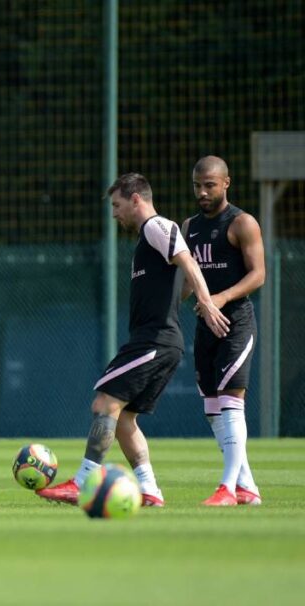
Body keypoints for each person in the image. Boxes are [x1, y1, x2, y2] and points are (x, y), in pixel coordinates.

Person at [37, 173, 229, 507]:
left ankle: (82, 481)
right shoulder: (149, 238)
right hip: (159, 340)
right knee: (124, 418)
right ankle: (150, 489)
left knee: (104, 404)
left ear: (136, 199)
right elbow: (186, 268)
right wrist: (181, 299)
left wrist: (207, 302)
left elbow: (187, 261)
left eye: (117, 204)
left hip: (154, 340)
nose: (114, 213)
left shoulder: (157, 226)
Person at [182, 156, 265, 506]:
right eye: (198, 185)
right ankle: (247, 487)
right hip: (205, 325)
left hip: (235, 322)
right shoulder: (189, 227)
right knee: (213, 408)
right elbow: (186, 280)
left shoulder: (242, 223)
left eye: (210, 185)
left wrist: (220, 297)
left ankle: (228, 488)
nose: (202, 192)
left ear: (226, 183)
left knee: (231, 401)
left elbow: (258, 274)